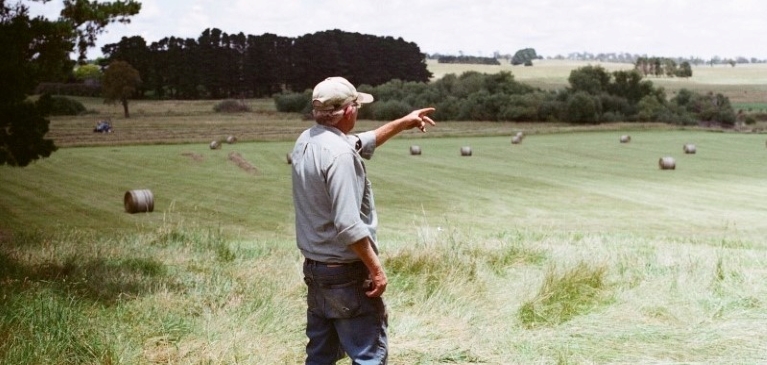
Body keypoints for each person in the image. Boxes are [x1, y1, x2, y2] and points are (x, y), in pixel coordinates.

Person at [291, 76, 436, 364]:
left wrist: (403, 122)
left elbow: (361, 141)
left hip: (316, 270)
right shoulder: (341, 155)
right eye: (357, 106)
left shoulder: (307, 140)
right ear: (348, 111)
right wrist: (376, 269)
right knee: (368, 355)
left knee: (319, 355)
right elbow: (348, 224)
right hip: (346, 273)